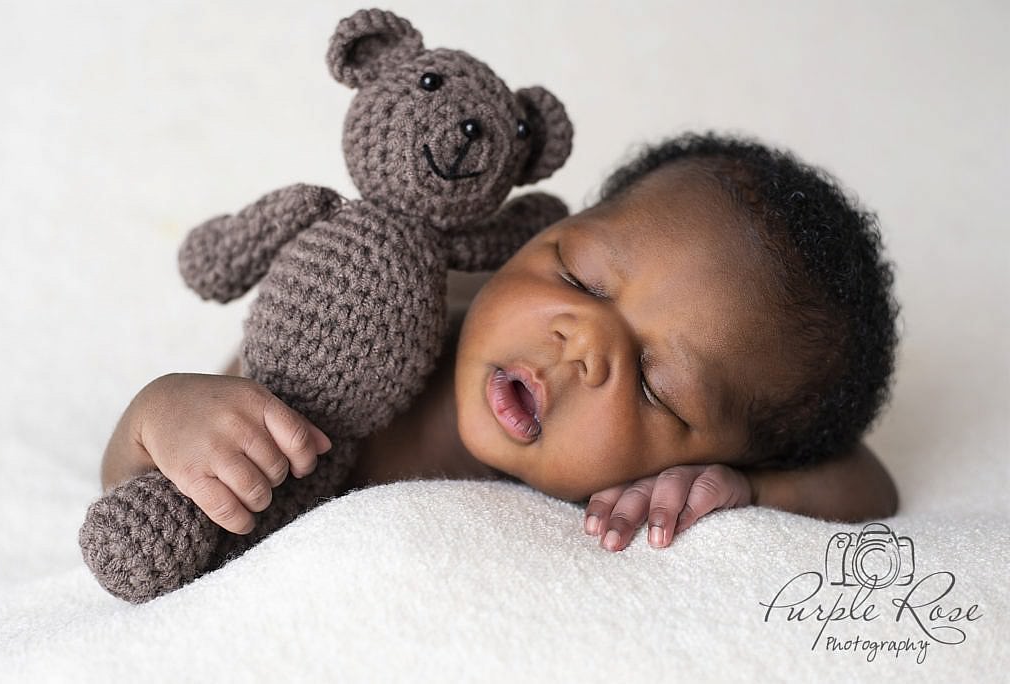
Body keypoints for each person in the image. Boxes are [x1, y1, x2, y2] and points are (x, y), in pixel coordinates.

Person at [100, 132, 900, 554]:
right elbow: (146, 489)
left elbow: (866, 482)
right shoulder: (366, 327)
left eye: (658, 386)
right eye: (580, 276)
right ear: (538, 230)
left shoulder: (641, 486)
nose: (581, 340)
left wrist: (746, 490)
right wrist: (161, 416)